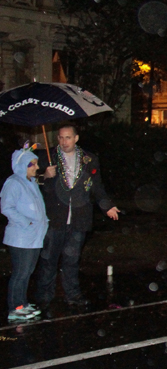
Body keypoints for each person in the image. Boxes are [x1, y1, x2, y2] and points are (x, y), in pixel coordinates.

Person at [35, 123, 120, 308]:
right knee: (49, 260)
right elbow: (27, 178)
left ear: (76, 138)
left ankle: (73, 295)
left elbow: (97, 186)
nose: (63, 142)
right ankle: (44, 297)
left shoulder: (89, 159)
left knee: (71, 261)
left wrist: (107, 206)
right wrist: (43, 175)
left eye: (67, 137)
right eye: (60, 137)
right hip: (54, 218)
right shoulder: (47, 157)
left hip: (79, 218)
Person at [1, 146, 50, 322]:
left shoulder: (30, 182)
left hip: (33, 237)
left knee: (27, 272)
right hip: (21, 237)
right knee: (20, 272)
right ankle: (15, 308)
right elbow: (7, 207)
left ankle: (22, 303)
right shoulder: (14, 182)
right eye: (33, 164)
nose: (36, 168)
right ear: (22, 165)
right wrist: (26, 222)